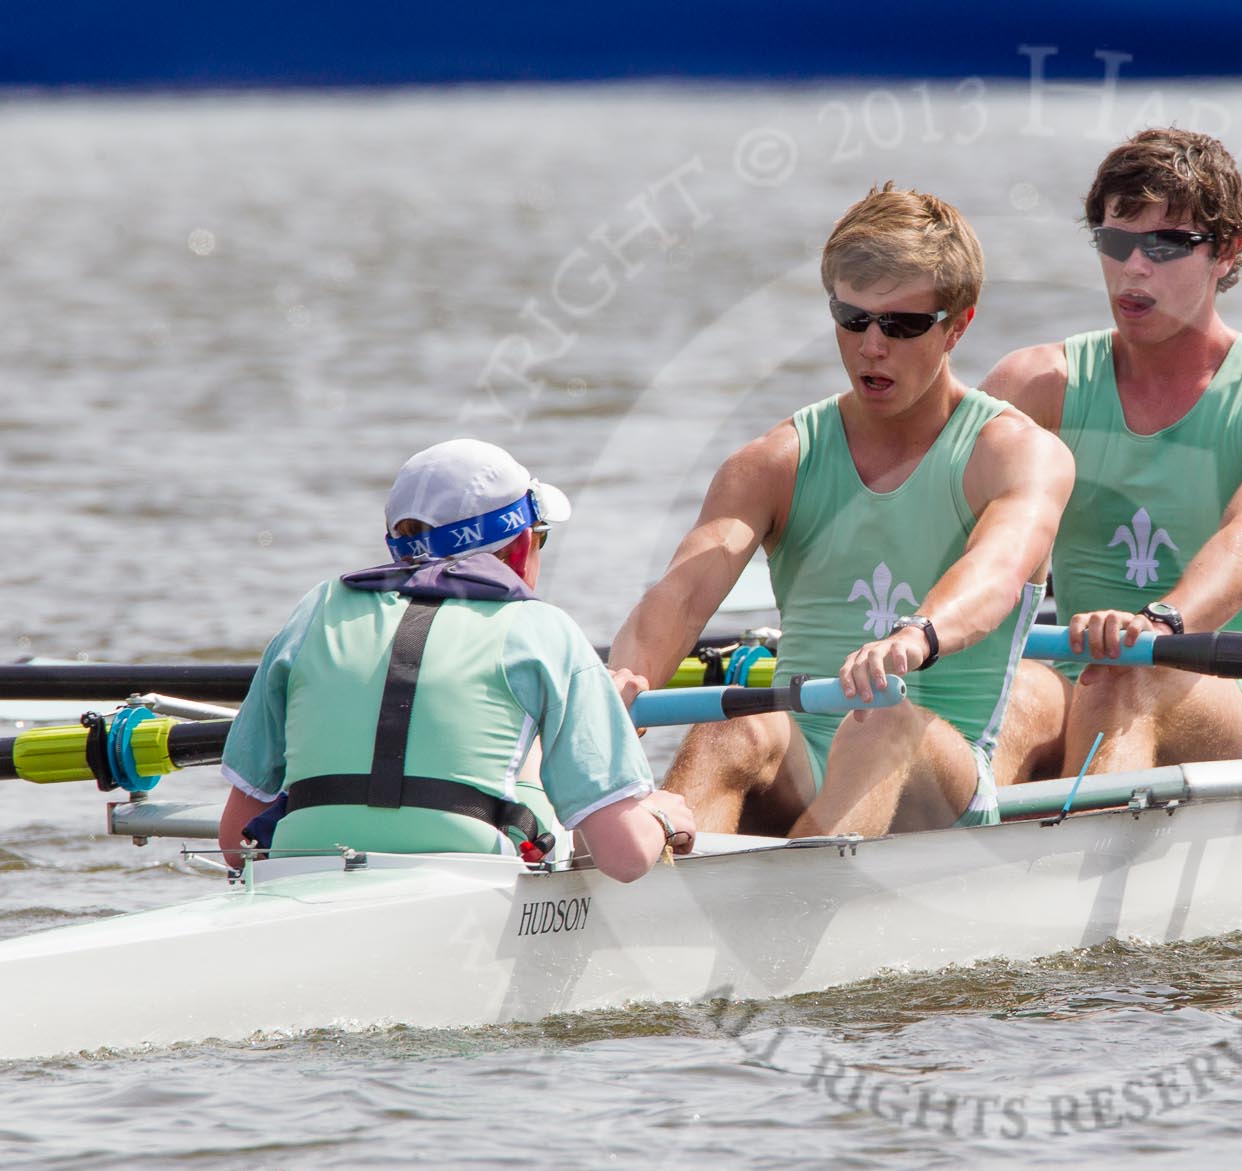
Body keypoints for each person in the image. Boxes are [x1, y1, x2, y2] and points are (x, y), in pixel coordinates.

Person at [607, 185, 1074, 836]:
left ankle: (788, 906)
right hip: (802, 760)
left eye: (902, 325)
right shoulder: (774, 463)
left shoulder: (1019, 455)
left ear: (959, 324)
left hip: (940, 772)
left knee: (882, 719)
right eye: (852, 319)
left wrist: (916, 637)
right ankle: (641, 888)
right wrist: (615, 685)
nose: (871, 346)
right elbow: (680, 597)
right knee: (730, 729)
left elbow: (996, 574)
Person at [982, 128, 1242, 776]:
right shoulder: (1033, 387)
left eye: (1164, 245)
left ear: (1226, 251)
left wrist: (1161, 624)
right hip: (1085, 681)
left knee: (1126, 679)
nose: (1134, 269)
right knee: (1006, 694)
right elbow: (945, 530)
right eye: (1116, 242)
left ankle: (1071, 866)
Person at [218, 439, 694, 882]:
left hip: (301, 876)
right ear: (522, 545)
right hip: (469, 887)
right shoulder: (544, 630)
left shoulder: (315, 610)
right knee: (545, 765)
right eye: (541, 538)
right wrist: (662, 815)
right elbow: (626, 858)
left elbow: (235, 842)